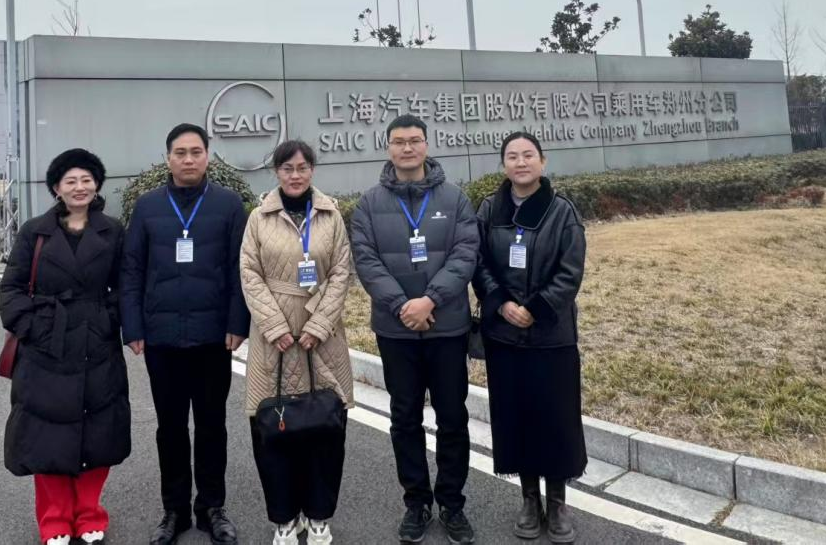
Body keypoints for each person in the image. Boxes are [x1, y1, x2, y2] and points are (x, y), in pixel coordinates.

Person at [351, 114, 480, 545]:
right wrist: (403, 305)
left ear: (426, 144)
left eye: (415, 140)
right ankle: (416, 502)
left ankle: (452, 503)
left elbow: (465, 254)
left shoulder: (455, 198)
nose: (407, 148)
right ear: (388, 147)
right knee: (404, 418)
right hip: (396, 330)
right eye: (399, 141)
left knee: (452, 417)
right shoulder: (369, 204)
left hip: (447, 327)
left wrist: (430, 300)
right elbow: (366, 260)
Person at [121, 123, 250, 545]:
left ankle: (212, 507)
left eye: (196, 151)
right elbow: (132, 270)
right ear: (168, 158)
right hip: (162, 338)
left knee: (212, 426)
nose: (189, 159)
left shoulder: (229, 204)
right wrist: (133, 326)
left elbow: (240, 269)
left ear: (208, 156)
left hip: (213, 338)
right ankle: (174, 510)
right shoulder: (147, 206)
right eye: (181, 152)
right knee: (170, 428)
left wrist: (237, 323)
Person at [0, 148, 131, 545]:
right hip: (46, 347)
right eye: (70, 181)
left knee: (98, 433)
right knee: (47, 435)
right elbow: (11, 288)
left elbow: (126, 284)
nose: (79, 187)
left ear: (97, 185)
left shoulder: (112, 230)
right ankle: (54, 519)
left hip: (97, 344)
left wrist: (109, 318)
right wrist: (32, 327)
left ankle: (90, 514)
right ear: (56, 188)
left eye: (87, 179)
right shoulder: (34, 232)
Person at [472, 132, 587, 543]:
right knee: (516, 417)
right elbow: (477, 261)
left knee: (555, 419)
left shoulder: (562, 211)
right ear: (503, 164)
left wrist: (535, 308)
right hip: (505, 337)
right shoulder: (490, 209)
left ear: (542, 161)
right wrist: (501, 303)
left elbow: (570, 271)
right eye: (512, 156)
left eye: (528, 155)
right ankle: (528, 499)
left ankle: (556, 502)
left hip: (551, 336)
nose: (520, 163)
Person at [240, 139, 355, 545]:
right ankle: (285, 519)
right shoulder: (259, 217)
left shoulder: (331, 215)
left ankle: (319, 515)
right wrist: (276, 326)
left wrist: (318, 324)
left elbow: (341, 272)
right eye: (287, 168)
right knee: (272, 431)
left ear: (312, 170)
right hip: (274, 340)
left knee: (325, 429)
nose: (295, 175)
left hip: (323, 340)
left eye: (303, 167)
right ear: (276, 171)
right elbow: (249, 273)